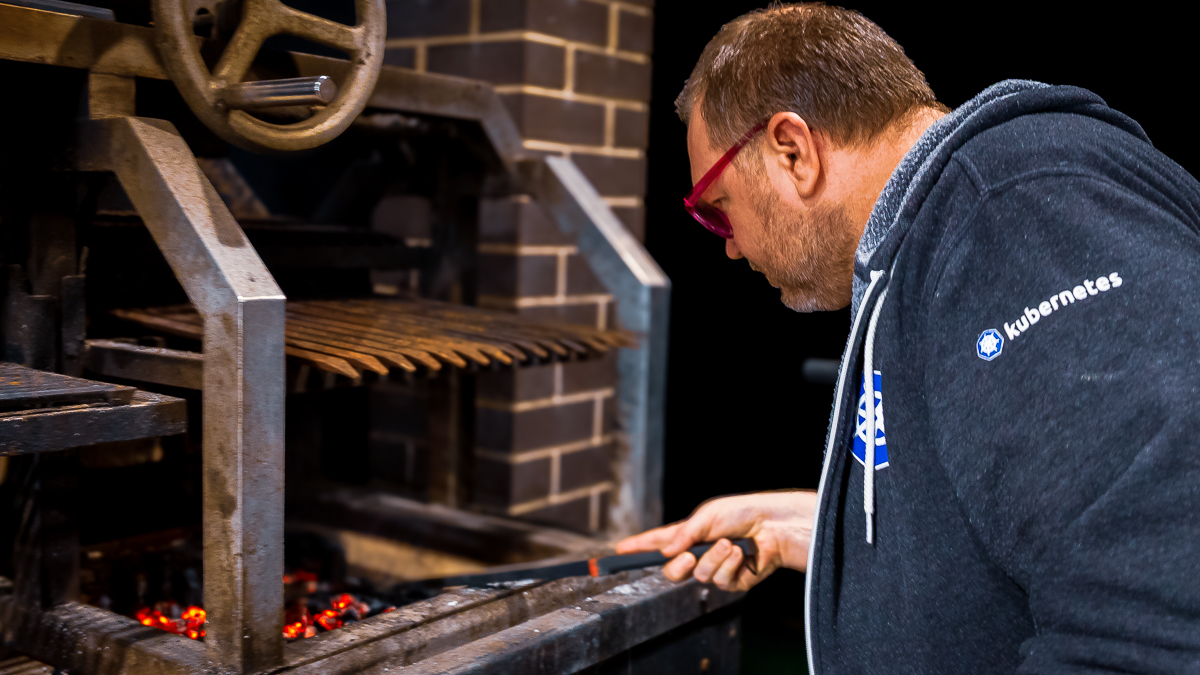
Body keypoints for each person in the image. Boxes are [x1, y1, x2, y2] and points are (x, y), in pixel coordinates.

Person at [616, 3, 1200, 673]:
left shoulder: (1017, 218)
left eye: (716, 209)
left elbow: (1160, 616)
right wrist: (829, 530)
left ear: (792, 149)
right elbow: (1046, 522)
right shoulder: (942, 237)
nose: (730, 247)